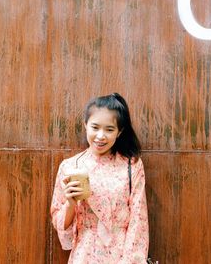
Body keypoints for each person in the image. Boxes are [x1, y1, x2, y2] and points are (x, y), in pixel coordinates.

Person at [50, 93, 149, 263]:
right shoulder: (70, 166)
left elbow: (138, 220)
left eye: (109, 129)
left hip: (122, 253)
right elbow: (60, 224)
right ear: (85, 125)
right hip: (84, 253)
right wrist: (70, 203)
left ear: (119, 132)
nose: (100, 136)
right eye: (95, 127)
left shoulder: (131, 165)